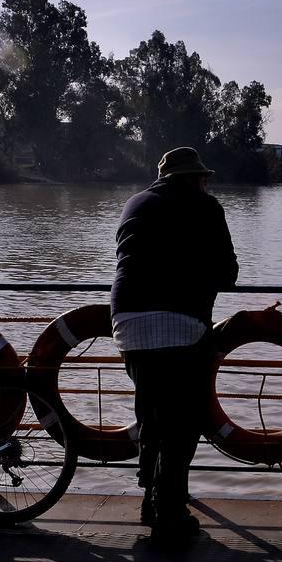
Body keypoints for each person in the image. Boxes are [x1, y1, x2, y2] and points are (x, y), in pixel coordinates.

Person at [110, 147, 238, 542]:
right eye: (203, 176)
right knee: (182, 422)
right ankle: (169, 513)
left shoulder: (134, 202)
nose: (206, 182)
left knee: (152, 410)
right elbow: (228, 273)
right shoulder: (206, 206)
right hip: (180, 323)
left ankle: (150, 497)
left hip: (127, 322)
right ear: (194, 178)